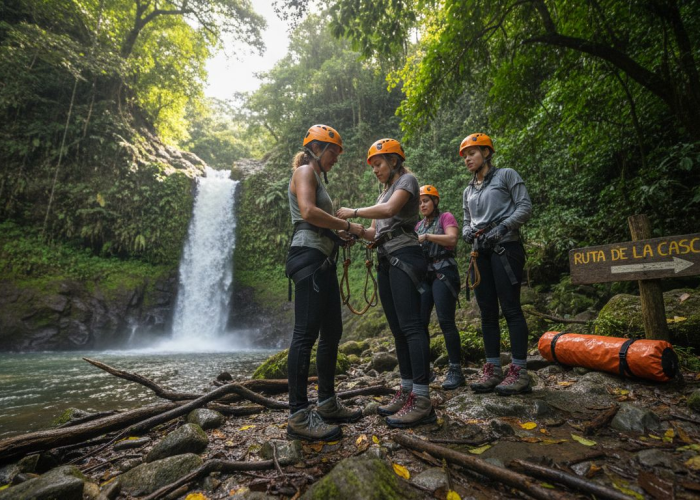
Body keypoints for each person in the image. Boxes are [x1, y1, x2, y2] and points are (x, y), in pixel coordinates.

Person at [337, 138, 436, 428]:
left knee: (411, 327)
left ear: (393, 161)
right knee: (398, 329)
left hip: (405, 256)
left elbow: (390, 211)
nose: (375, 170)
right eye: (372, 166)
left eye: (378, 164)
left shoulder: (407, 180)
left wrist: (353, 212)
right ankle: (406, 390)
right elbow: (374, 232)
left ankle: (422, 399)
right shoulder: (383, 193)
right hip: (387, 259)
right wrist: (351, 230)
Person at [285, 124, 366, 441]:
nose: (336, 158)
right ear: (317, 149)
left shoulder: (315, 176)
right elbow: (307, 211)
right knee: (305, 335)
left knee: (332, 331)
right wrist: (350, 226)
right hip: (308, 259)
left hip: (323, 260)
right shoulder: (305, 171)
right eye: (333, 152)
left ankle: (328, 402)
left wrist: (338, 235)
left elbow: (318, 219)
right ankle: (298, 415)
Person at [460, 132, 533, 396]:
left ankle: (519, 371)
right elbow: (467, 219)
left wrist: (502, 227)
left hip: (506, 249)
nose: (468, 159)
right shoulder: (468, 190)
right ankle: (492, 367)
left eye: (473, 153)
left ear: (487, 153)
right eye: (465, 156)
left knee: (511, 309)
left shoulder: (506, 175)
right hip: (480, 253)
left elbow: (524, 207)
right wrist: (467, 231)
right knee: (487, 312)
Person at [415, 185, 464, 390]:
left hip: (444, 272)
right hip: (425, 275)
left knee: (445, 321)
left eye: (426, 200)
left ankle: (455, 370)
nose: (422, 205)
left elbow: (452, 238)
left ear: (435, 201)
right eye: (419, 202)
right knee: (420, 322)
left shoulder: (445, 218)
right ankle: (426, 371)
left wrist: (427, 237)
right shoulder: (417, 226)